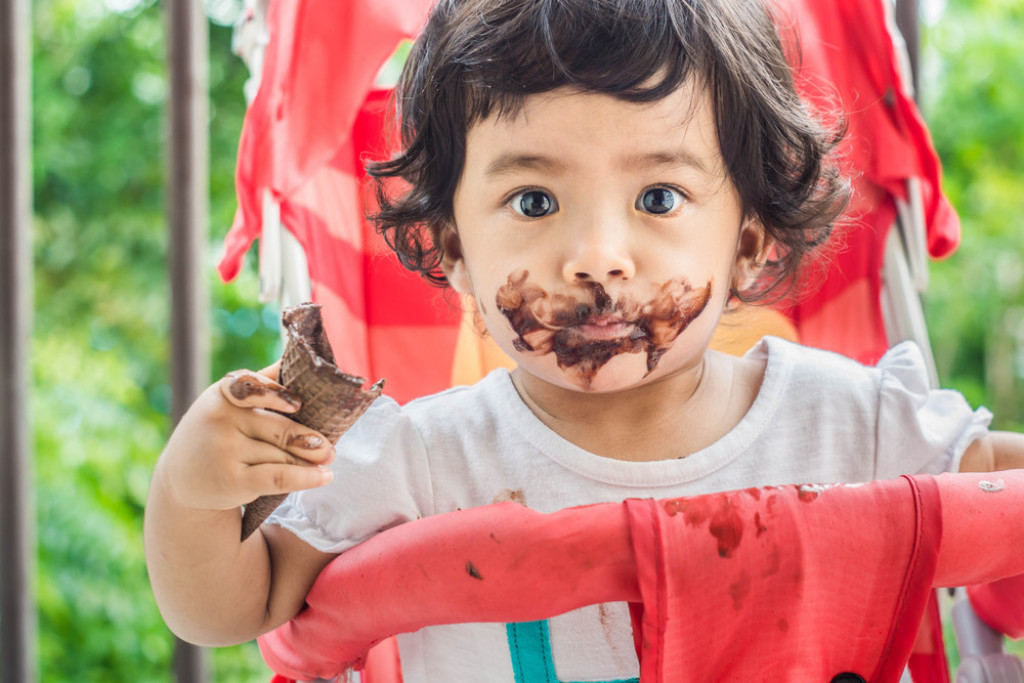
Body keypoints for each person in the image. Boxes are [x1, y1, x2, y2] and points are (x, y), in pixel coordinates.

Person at [144, 0, 1024, 679]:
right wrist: (191, 487)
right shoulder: (418, 464)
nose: (598, 257)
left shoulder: (859, 427)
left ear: (750, 238)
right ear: (452, 248)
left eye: (658, 199)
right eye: (534, 201)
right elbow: (234, 605)